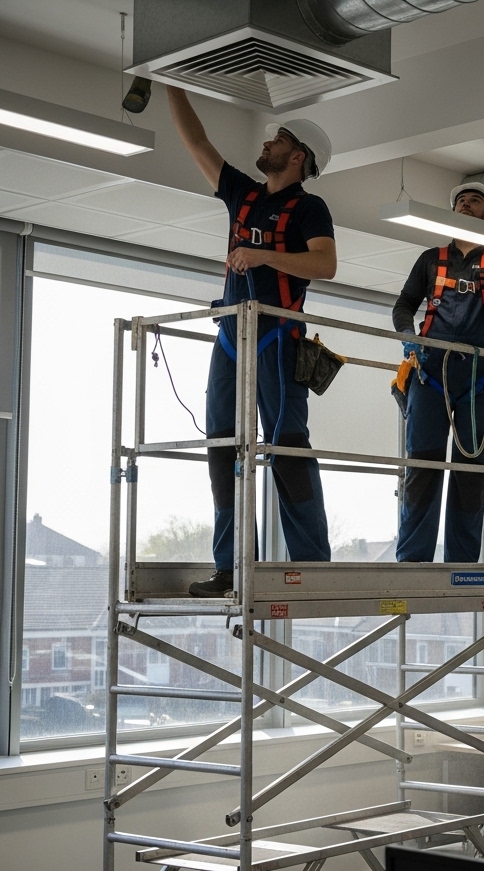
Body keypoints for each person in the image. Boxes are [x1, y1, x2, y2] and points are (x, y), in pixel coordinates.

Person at [167, 86, 338, 597]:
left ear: (297, 156)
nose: (267, 144)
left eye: (277, 140)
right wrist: (168, 82)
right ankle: (233, 568)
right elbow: (197, 143)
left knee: (287, 448)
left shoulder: (310, 208)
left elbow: (325, 264)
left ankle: (312, 565)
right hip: (230, 337)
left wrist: (265, 257)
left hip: (278, 339)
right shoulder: (243, 193)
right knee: (222, 447)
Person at [391, 183, 484, 562]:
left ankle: (461, 560)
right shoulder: (431, 260)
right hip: (430, 378)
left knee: (471, 474)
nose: (465, 204)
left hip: (478, 383)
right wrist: (407, 337)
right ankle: (413, 559)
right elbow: (404, 305)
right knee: (423, 466)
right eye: (460, 200)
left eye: (475, 201)